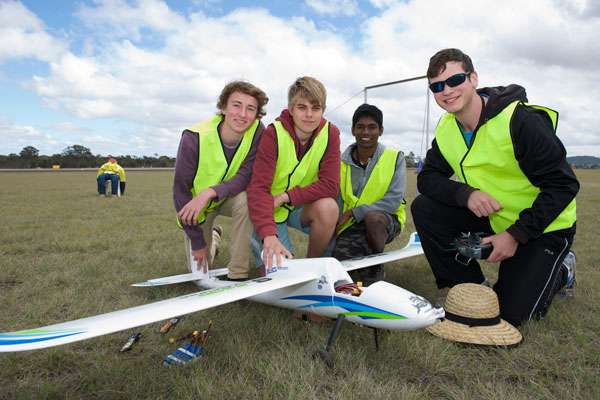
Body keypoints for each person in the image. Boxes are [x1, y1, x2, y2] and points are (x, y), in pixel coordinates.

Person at [411, 48, 579, 326]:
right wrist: (466, 194)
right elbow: (427, 179)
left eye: (455, 80)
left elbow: (563, 184)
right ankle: (471, 287)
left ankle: (564, 269)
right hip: (493, 218)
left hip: (543, 227)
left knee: (513, 316)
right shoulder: (446, 128)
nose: (447, 91)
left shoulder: (521, 120)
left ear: (473, 78)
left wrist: (515, 234)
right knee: (425, 208)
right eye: (437, 86)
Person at [174, 80, 268, 280]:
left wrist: (209, 192)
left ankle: (238, 273)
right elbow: (181, 192)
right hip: (196, 207)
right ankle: (212, 240)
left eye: (250, 108)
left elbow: (245, 176)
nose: (242, 114)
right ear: (223, 108)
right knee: (199, 274)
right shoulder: (194, 137)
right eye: (236, 105)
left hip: (227, 197)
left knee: (248, 198)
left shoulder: (258, 131)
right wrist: (198, 242)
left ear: (256, 114)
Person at [247, 76, 341, 275]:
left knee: (329, 208)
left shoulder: (331, 133)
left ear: (323, 109)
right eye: (302, 107)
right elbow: (258, 190)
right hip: (270, 210)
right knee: (278, 278)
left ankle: (312, 269)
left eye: (316, 108)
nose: (309, 115)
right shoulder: (274, 134)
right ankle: (263, 250)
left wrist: (286, 196)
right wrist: (269, 234)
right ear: (290, 108)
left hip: (302, 207)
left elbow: (330, 185)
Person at [332, 104, 406, 285]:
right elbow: (336, 202)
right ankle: (361, 260)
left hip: (385, 221)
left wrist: (353, 212)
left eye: (372, 127)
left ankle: (377, 263)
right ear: (353, 130)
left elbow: (392, 202)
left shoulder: (395, 158)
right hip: (353, 225)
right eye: (360, 127)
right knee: (340, 269)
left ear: (380, 131)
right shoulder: (339, 163)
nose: (366, 132)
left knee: (373, 218)